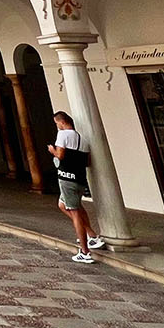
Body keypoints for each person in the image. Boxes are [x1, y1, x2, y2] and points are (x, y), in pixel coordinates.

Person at [48, 111, 106, 264]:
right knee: (64, 205)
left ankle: (85, 251)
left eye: (57, 123)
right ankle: (92, 235)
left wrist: (52, 150)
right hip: (80, 179)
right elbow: (87, 162)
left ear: (61, 122)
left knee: (75, 213)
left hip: (67, 179)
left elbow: (60, 155)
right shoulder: (83, 140)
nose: (57, 126)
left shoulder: (63, 135)